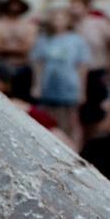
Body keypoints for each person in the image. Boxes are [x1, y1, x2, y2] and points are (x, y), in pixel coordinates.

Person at [30, 8, 90, 149]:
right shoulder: (44, 39)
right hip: (49, 84)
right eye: (55, 18)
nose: (58, 21)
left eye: (62, 18)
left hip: (69, 84)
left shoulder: (76, 40)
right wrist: (37, 85)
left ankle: (76, 150)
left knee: (72, 119)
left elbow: (82, 66)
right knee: (50, 118)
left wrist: (81, 90)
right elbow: (39, 64)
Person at [69, 0, 110, 127]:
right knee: (81, 112)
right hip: (78, 73)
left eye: (77, 6)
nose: (73, 9)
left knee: (99, 110)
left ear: (86, 7)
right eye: (72, 6)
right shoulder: (72, 26)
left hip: (97, 70)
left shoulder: (99, 23)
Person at [0, 0, 37, 101]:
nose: (14, 9)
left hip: (22, 67)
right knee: (2, 98)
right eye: (12, 6)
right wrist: (17, 48)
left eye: (17, 6)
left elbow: (28, 48)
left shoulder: (28, 26)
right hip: (2, 67)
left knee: (23, 99)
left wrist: (5, 47)